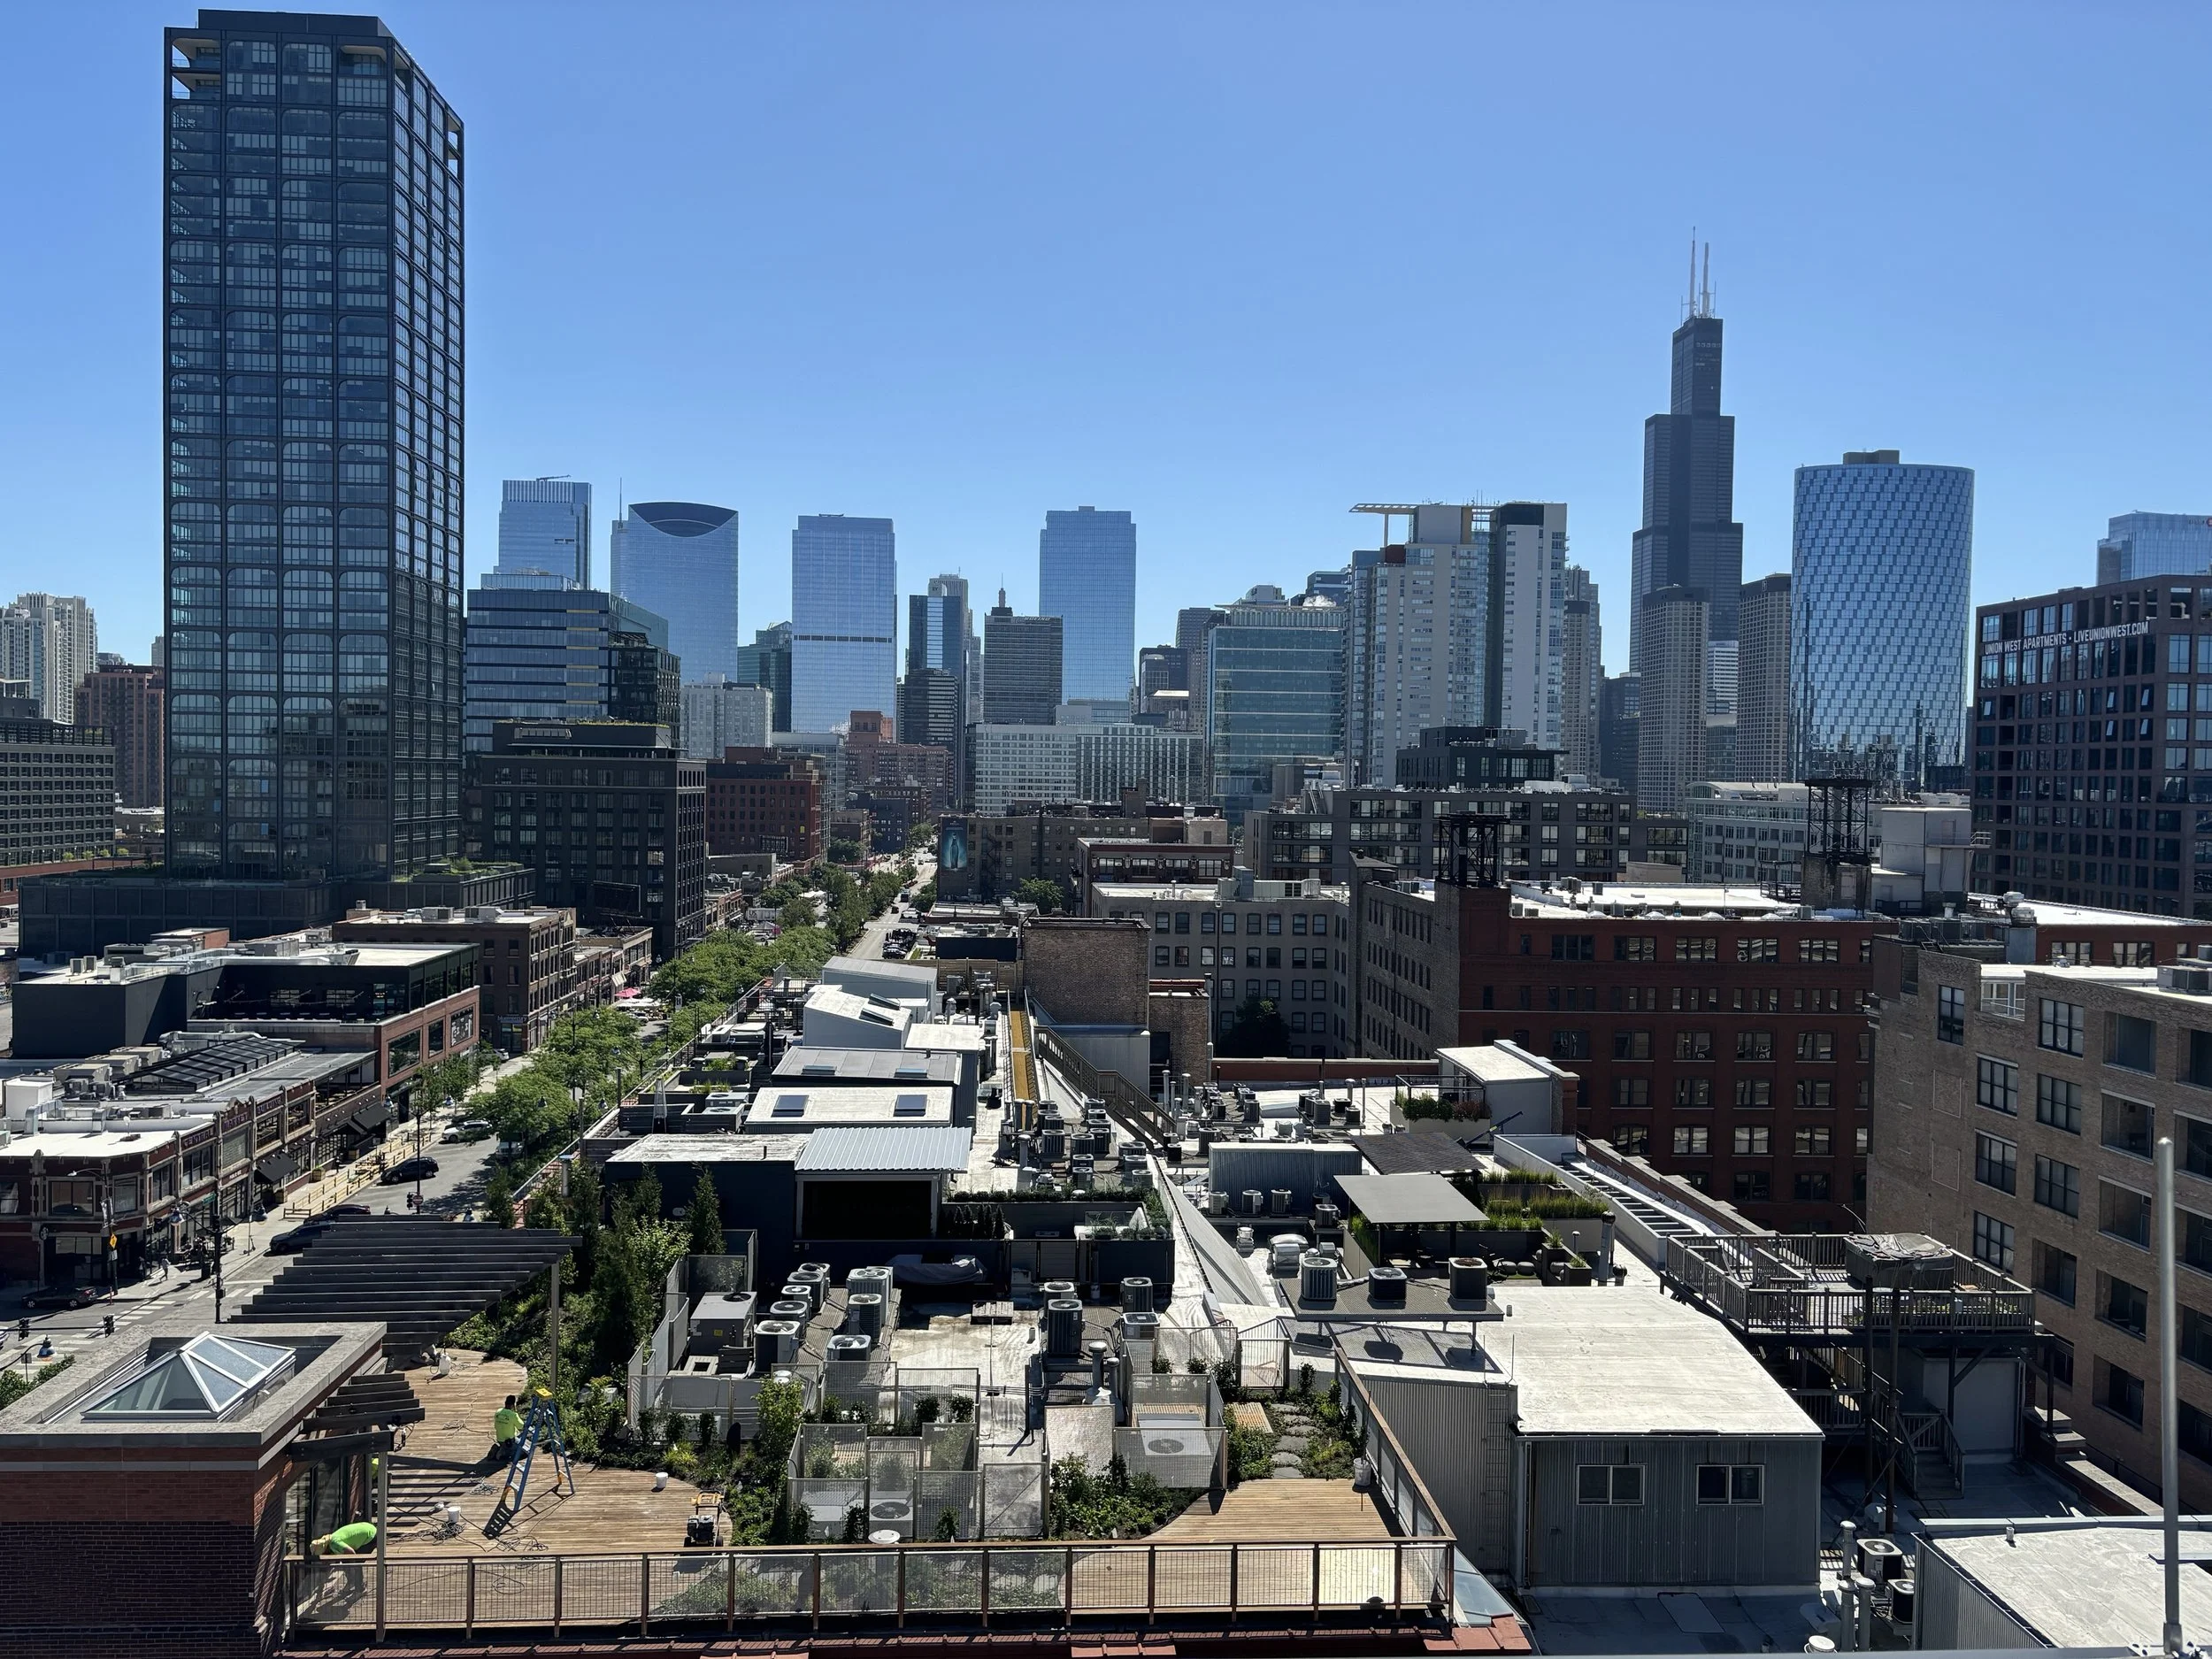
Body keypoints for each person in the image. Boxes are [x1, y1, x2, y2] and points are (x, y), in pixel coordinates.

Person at [488, 1394, 524, 1465]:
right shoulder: (513, 1415)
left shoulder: (498, 1412)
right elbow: (521, 1426)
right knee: (523, 1451)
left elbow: (496, 1426)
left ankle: (500, 1447)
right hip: (509, 1442)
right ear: (513, 1405)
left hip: (500, 1439)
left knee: (514, 1442)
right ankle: (502, 1452)